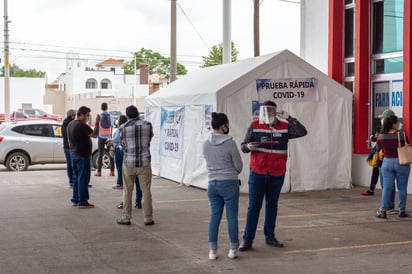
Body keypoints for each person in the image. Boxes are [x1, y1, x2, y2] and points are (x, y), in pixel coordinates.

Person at [239, 101, 307, 251]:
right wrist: (248, 147)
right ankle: (247, 239)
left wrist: (289, 118)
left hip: (277, 172)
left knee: (272, 205)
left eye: (271, 111)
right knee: (254, 206)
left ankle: (270, 236)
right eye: (265, 111)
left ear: (275, 112)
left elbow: (303, 131)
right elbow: (243, 145)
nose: (268, 114)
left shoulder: (284, 126)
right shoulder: (255, 125)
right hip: (258, 172)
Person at [202, 112, 243, 260]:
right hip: (229, 183)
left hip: (212, 184)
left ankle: (212, 251)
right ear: (223, 125)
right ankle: (233, 249)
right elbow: (238, 166)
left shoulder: (205, 143)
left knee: (214, 217)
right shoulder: (230, 143)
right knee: (231, 217)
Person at [116, 105, 154, 226]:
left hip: (129, 163)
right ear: (138, 113)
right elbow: (149, 139)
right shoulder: (148, 125)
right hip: (144, 162)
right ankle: (148, 218)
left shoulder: (122, 127)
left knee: (127, 191)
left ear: (127, 115)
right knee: (146, 191)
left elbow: (122, 144)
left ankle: (127, 217)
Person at [375, 114, 410, 218]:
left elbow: (377, 148)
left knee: (387, 188)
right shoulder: (402, 135)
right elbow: (407, 145)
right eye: (397, 122)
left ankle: (383, 211)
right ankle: (402, 210)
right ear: (394, 124)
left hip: (387, 162)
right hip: (402, 162)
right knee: (402, 188)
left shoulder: (381, 136)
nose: (399, 124)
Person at [108, 114, 142, 209]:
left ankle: (125, 203)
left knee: (127, 181)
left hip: (127, 157)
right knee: (138, 181)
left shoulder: (123, 128)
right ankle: (138, 201)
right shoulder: (142, 126)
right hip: (139, 158)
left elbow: (117, 141)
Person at [67, 106, 98, 208]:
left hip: (74, 155)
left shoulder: (71, 124)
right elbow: (94, 135)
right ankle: (83, 201)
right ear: (81, 115)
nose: (88, 118)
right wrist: (97, 123)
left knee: (76, 178)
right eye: (87, 115)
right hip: (82, 156)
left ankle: (76, 199)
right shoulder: (81, 125)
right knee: (83, 179)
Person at [94, 102, 115, 177]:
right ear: (107, 107)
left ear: (101, 107)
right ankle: (112, 171)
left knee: (100, 153)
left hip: (101, 136)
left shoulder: (99, 116)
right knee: (111, 153)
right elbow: (112, 126)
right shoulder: (111, 116)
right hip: (109, 136)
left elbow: (97, 125)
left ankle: (99, 172)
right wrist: (110, 136)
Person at [362, 126, 381, 196]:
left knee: (383, 175)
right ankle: (371, 189)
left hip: (384, 156)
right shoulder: (379, 128)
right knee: (375, 173)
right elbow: (371, 136)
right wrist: (374, 137)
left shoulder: (390, 131)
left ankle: (372, 190)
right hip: (378, 156)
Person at [62, 109, 76, 188]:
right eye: (74, 115)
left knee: (69, 165)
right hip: (72, 147)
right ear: (72, 116)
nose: (75, 117)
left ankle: (71, 181)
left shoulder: (64, 124)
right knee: (73, 165)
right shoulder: (71, 124)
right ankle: (74, 181)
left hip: (66, 147)